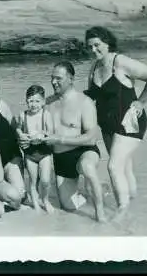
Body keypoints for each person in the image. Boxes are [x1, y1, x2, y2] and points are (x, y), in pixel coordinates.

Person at [84, 26, 147, 217]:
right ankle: (134, 203)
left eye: (97, 45)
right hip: (108, 125)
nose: (93, 50)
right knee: (124, 166)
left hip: (129, 123)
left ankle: (122, 213)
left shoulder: (121, 62)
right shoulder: (94, 68)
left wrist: (141, 101)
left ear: (107, 43)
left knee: (113, 166)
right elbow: (91, 96)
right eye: (90, 47)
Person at [33, 61, 107, 223]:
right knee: (69, 207)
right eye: (52, 78)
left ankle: (100, 214)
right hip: (61, 159)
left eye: (58, 78)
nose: (53, 82)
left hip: (83, 152)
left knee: (87, 167)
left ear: (71, 79)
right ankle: (94, 190)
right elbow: (32, 123)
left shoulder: (84, 102)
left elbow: (92, 138)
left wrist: (59, 139)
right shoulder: (48, 103)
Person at [15, 85, 54, 213]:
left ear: (43, 102)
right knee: (33, 180)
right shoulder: (23, 115)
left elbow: (51, 132)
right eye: (30, 101)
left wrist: (42, 135)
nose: (33, 104)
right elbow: (18, 128)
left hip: (44, 152)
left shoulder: (46, 114)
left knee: (45, 180)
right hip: (30, 153)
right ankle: (36, 203)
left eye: (37, 101)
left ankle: (46, 200)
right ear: (26, 101)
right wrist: (20, 134)